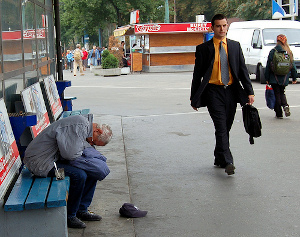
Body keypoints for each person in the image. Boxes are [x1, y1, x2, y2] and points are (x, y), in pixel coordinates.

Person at [190, 14, 255, 175]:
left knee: (226, 126)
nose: (222, 29)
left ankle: (219, 156)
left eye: (224, 25)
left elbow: (242, 71)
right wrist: (194, 97)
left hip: (231, 91)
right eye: (218, 26)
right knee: (220, 126)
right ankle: (228, 161)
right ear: (212, 28)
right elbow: (197, 74)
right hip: (213, 92)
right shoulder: (203, 49)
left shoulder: (234, 46)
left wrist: (249, 92)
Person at [23, 115, 113, 228]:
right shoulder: (80, 125)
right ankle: (70, 215)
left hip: (53, 160)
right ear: (97, 131)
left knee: (92, 171)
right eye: (93, 143)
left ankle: (82, 209)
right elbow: (70, 155)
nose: (91, 144)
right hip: (41, 165)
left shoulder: (84, 126)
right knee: (79, 175)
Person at [265, 34, 297, 118]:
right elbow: (292, 66)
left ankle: (279, 113)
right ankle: (285, 105)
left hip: (274, 77)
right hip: (284, 77)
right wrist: (294, 77)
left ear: (277, 41)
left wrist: (267, 78)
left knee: (276, 94)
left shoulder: (273, 51)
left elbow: (268, 65)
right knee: (282, 92)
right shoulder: (288, 52)